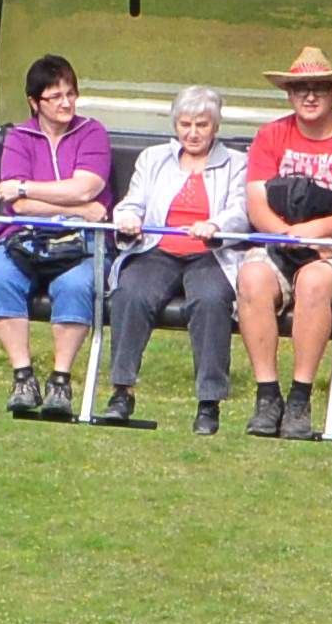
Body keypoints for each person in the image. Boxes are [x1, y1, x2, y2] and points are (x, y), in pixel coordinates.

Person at [237, 45, 332, 437]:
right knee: (252, 278)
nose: (309, 95)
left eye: (319, 88)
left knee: (315, 282)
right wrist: (288, 235)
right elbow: (257, 205)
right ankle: (267, 395)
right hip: (280, 242)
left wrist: (318, 232)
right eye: (300, 88)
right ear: (288, 94)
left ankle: (300, 397)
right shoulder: (270, 136)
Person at [100, 86, 244, 430]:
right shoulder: (153, 159)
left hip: (210, 254)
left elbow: (241, 211)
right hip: (158, 249)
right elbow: (132, 203)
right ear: (175, 126)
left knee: (211, 300)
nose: (193, 133)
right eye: (185, 125)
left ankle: (208, 403)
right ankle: (122, 391)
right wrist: (128, 219)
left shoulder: (237, 163)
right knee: (131, 292)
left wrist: (215, 225)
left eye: (202, 125)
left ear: (216, 127)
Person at [0, 55, 111, 415]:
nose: (66, 103)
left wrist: (26, 187)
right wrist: (76, 208)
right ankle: (22, 375)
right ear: (34, 102)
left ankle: (60, 381)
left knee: (76, 284)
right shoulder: (20, 138)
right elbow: (18, 208)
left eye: (71, 93)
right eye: (55, 96)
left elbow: (87, 187)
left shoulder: (91, 133)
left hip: (80, 240)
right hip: (26, 236)